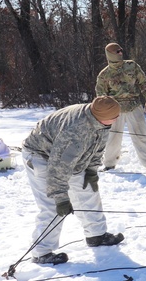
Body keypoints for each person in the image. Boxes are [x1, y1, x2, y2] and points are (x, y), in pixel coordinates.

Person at [22, 96, 126, 265]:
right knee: (53, 205)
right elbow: (57, 168)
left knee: (87, 190)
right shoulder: (75, 131)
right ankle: (41, 252)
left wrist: (91, 170)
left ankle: (96, 235)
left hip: (68, 155)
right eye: (114, 117)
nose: (117, 119)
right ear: (102, 116)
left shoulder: (100, 118)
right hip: (41, 155)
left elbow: (97, 146)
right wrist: (61, 198)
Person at [95, 42, 146, 173]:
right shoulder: (104, 74)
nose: (121, 53)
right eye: (117, 51)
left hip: (134, 106)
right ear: (110, 55)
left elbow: (143, 82)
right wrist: (103, 112)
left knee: (141, 136)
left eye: (121, 50)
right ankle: (109, 165)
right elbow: (100, 94)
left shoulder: (132, 66)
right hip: (114, 110)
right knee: (112, 138)